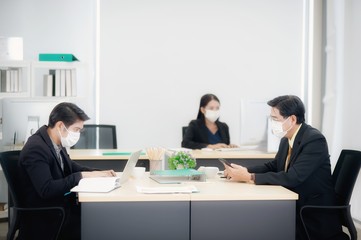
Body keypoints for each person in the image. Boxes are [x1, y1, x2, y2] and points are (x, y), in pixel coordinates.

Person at [223, 95, 348, 240]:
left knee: (262, 223)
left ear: (292, 119)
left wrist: (250, 178)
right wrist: (244, 171)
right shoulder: (287, 138)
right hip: (296, 202)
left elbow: (293, 177)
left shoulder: (314, 140)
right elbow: (274, 166)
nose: (272, 123)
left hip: (312, 211)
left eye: (275, 119)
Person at [17, 102, 116, 240]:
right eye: (76, 129)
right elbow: (46, 189)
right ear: (60, 126)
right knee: (98, 222)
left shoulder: (55, 142)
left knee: (100, 216)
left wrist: (97, 173)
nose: (78, 134)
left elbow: (71, 167)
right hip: (47, 216)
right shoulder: (36, 148)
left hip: (60, 207)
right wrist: (81, 176)